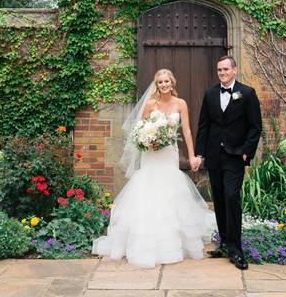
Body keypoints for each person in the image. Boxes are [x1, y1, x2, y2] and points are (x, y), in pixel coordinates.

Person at [91, 68, 216, 268]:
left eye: (167, 81)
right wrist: (148, 140)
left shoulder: (180, 104)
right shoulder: (150, 105)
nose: (164, 84)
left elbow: (186, 130)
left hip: (169, 155)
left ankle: (173, 244)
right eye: (160, 82)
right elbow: (139, 131)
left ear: (172, 83)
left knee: (170, 194)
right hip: (152, 154)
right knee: (148, 193)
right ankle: (145, 244)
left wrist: (192, 155)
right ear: (156, 85)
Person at [192, 55, 262, 270]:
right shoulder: (211, 93)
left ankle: (236, 249)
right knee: (220, 199)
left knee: (232, 197)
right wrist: (199, 153)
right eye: (219, 70)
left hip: (234, 155)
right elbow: (204, 125)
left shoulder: (247, 93)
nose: (222, 73)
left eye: (225, 69)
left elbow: (255, 126)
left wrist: (245, 152)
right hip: (214, 155)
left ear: (234, 70)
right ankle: (223, 243)